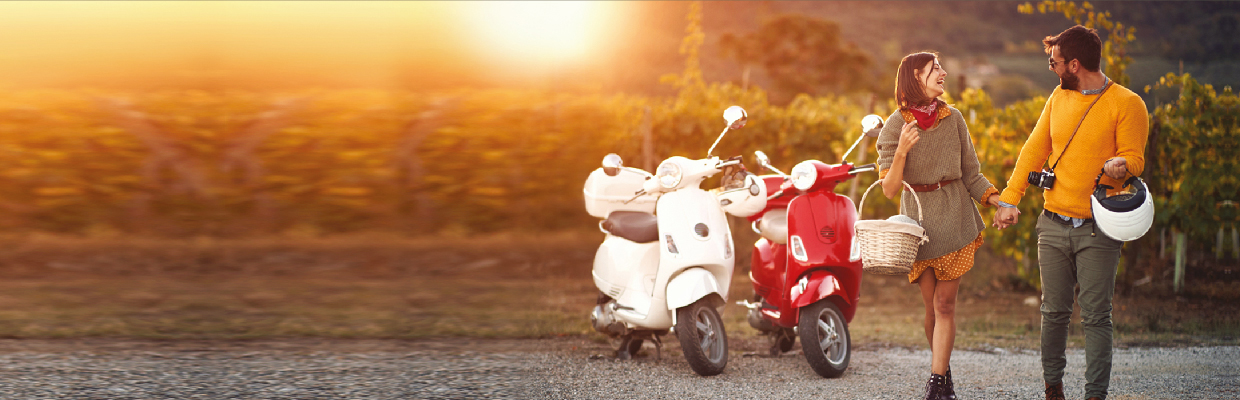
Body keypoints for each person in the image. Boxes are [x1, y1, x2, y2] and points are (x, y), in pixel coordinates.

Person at [992, 25, 1149, 400]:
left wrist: (1121, 165)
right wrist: (1009, 199)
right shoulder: (1058, 100)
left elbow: (1136, 158)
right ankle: (1053, 390)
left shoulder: (1128, 104)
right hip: (1052, 224)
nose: (1051, 68)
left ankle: (1095, 395)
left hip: (1098, 229)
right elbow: (1033, 151)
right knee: (1054, 313)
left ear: (1074, 65)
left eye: (1055, 62)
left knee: (1096, 317)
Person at [876, 51, 1002, 400]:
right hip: (917, 224)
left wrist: (997, 200)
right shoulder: (893, 126)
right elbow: (889, 189)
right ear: (917, 76)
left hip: (954, 215)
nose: (944, 73)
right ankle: (943, 375)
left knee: (946, 305)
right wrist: (901, 150)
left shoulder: (954, 118)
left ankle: (934, 384)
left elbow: (972, 175)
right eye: (936, 69)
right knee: (930, 307)